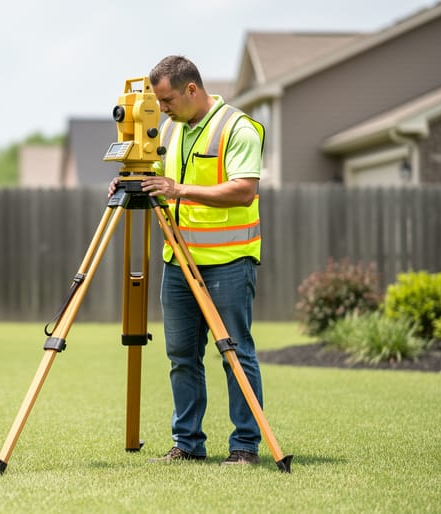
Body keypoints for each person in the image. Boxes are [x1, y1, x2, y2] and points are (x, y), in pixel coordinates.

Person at [110, 55, 266, 466]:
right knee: (181, 355)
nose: (161, 108)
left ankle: (245, 448)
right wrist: (131, 178)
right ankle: (188, 444)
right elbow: (158, 177)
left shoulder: (237, 127)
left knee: (235, 354)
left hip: (228, 260)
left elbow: (243, 190)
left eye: (167, 100)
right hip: (178, 262)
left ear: (192, 90)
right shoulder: (170, 128)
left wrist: (178, 190)